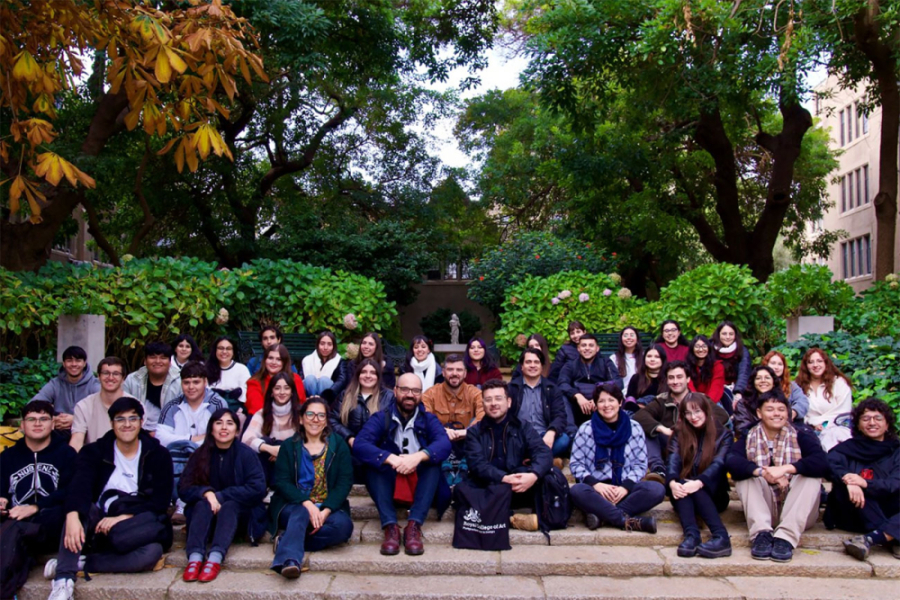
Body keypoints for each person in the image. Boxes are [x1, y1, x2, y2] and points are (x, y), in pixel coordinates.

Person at [44, 397, 173, 600]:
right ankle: (63, 579)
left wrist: (125, 516)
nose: (127, 424)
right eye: (120, 419)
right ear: (111, 423)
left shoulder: (158, 454)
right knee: (80, 509)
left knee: (152, 553)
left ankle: (83, 562)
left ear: (141, 422)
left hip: (134, 526)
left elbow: (160, 502)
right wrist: (72, 516)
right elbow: (79, 488)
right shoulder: (94, 452)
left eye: (133, 418)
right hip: (98, 523)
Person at [352, 373, 451, 556]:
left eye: (415, 391)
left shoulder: (429, 419)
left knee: (433, 463)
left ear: (421, 394)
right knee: (373, 464)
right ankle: (390, 527)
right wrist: (390, 458)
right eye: (405, 389)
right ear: (395, 391)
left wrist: (419, 456)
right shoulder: (381, 417)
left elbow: (444, 444)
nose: (410, 395)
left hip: (420, 485)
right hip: (391, 484)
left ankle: (414, 526)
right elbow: (360, 444)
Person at [726, 392, 829, 563]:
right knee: (746, 475)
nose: (776, 414)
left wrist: (786, 469)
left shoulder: (801, 434)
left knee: (810, 476)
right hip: (765, 507)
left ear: (787, 413)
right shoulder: (748, 436)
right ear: (759, 413)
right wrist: (763, 472)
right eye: (770, 409)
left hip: (798, 509)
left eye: (781, 409)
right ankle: (762, 534)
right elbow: (731, 462)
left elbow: (823, 462)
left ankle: (785, 538)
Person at [269, 396, 354, 578]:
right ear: (301, 419)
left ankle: (286, 540)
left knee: (343, 527)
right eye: (310, 414)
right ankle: (290, 560)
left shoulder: (338, 445)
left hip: (325, 505)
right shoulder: (288, 446)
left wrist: (326, 510)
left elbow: (344, 482)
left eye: (321, 416)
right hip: (293, 505)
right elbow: (282, 482)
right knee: (300, 513)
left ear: (326, 421)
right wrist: (306, 504)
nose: (315, 419)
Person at [179, 408, 266, 583]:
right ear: (211, 428)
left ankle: (215, 558)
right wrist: (206, 493)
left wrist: (220, 496)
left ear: (237, 430)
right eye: (219, 423)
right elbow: (183, 488)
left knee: (230, 505)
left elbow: (258, 488)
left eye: (229, 423)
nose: (224, 428)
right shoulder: (200, 454)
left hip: (238, 518)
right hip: (205, 518)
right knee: (203, 502)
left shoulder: (245, 454)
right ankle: (195, 558)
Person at [0, 401, 77, 597]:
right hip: (15, 521)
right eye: (31, 419)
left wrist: (35, 507)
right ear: (22, 426)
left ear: (53, 424)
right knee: (13, 530)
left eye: (44, 419)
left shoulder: (66, 454)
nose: (37, 424)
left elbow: (71, 491)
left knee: (14, 530)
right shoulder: (7, 457)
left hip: (51, 525)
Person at [569, 384, 664, 533]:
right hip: (596, 491)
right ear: (596, 404)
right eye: (601, 401)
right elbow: (576, 464)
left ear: (620, 402)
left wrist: (625, 487)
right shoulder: (586, 429)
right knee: (577, 490)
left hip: (624, 490)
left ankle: (601, 516)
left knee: (657, 489)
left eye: (611, 400)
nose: (607, 405)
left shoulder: (635, 428)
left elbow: (640, 464)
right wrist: (596, 485)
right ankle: (627, 521)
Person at [463, 379, 553, 532]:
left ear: (509, 402)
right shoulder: (474, 432)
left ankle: (498, 515)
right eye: (488, 399)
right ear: (483, 404)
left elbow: (543, 452)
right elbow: (477, 464)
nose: (493, 403)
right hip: (489, 485)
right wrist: (503, 478)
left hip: (518, 487)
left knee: (550, 477)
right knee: (461, 490)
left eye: (499, 398)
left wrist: (533, 475)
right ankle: (511, 519)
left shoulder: (523, 426)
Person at [825, 398, 900, 561]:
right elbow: (827, 464)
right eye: (865, 419)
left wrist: (865, 483)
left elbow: (895, 484)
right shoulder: (846, 449)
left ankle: (871, 538)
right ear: (858, 425)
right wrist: (848, 480)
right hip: (853, 512)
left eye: (878, 418)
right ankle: (894, 536)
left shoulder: (897, 451)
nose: (872, 423)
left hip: (887, 508)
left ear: (887, 424)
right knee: (846, 489)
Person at [155, 361, 228, 524]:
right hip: (177, 456)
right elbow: (160, 437)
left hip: (210, 455)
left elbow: (221, 434)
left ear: (205, 382)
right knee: (174, 452)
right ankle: (179, 502)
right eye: (186, 382)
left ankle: (185, 503)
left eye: (196, 382)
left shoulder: (217, 403)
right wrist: (190, 439)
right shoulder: (172, 406)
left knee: (194, 452)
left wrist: (190, 442)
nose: (191, 387)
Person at [633, 362, 730, 483]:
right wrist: (662, 429)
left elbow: (723, 416)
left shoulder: (700, 399)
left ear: (688, 379)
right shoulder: (662, 400)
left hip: (696, 447)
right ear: (667, 381)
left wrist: (688, 427)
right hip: (670, 447)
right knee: (647, 430)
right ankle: (658, 469)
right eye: (671, 378)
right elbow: (639, 416)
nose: (675, 381)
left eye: (679, 377)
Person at [667, 394, 733, 558]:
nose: (693, 417)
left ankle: (721, 536)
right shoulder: (679, 433)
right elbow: (673, 460)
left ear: (706, 410)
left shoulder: (724, 435)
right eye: (688, 413)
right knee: (683, 483)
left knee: (694, 486)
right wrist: (672, 482)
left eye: (697, 411)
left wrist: (699, 482)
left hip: (714, 494)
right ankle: (692, 536)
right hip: (683, 494)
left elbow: (718, 464)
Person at [331, 359, 396, 481]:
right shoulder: (345, 395)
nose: (368, 376)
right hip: (350, 452)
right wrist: (349, 438)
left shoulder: (389, 396)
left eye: (372, 372)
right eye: (364, 372)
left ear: (378, 376)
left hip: (378, 452)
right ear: (358, 375)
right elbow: (332, 420)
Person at [507, 348, 573, 458]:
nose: (532, 365)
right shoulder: (511, 388)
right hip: (518, 437)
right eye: (528, 362)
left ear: (542, 366)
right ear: (522, 366)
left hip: (544, 437)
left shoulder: (552, 388)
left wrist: (551, 432)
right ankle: (541, 460)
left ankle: (527, 460)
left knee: (564, 440)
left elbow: (560, 416)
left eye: (536, 362)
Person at [241, 372, 303, 484]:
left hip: (294, 462)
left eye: (286, 388)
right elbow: (246, 439)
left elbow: (311, 442)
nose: (282, 392)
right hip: (269, 462)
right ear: (271, 392)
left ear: (292, 392)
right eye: (277, 388)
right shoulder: (262, 413)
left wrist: (283, 453)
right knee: (264, 442)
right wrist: (270, 449)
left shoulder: (301, 414)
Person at [31, 346, 99, 437]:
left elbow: (104, 412)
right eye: (69, 361)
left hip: (87, 431)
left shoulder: (94, 385)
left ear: (84, 363)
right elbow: (32, 405)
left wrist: (76, 419)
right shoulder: (55, 383)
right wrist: (51, 418)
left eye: (78, 361)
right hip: (58, 429)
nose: (74, 364)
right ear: (64, 363)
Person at [70, 357, 134, 452]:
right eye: (105, 373)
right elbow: (76, 441)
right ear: (99, 376)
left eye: (116, 374)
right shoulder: (84, 406)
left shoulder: (135, 406)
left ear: (123, 378)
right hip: (95, 460)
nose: (110, 378)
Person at [558, 334, 622, 427]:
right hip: (577, 405)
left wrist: (599, 397)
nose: (587, 348)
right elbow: (562, 383)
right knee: (562, 396)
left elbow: (618, 382)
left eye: (591, 345)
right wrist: (577, 395)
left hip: (600, 403)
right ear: (578, 348)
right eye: (584, 345)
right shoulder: (570, 365)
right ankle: (571, 432)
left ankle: (612, 426)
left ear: (597, 348)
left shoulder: (605, 362)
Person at [797, 347, 853, 451]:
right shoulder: (799, 386)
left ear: (826, 363)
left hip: (838, 428)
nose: (815, 365)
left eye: (819, 361)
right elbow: (799, 412)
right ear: (806, 366)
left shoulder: (839, 383)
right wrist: (812, 424)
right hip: (809, 430)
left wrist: (821, 423)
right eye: (811, 362)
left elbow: (843, 411)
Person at [422, 354, 484, 442]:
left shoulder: (475, 393)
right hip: (438, 440)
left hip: (467, 441)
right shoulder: (430, 394)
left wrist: (467, 431)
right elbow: (424, 417)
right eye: (450, 369)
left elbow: (483, 416)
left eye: (459, 370)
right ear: (443, 372)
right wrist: (443, 430)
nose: (454, 373)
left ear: (465, 373)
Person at [122, 341, 182, 433]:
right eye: (153, 357)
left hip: (171, 431)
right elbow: (123, 408)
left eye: (163, 358)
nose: (158, 361)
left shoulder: (180, 381)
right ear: (145, 361)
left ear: (170, 362)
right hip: (136, 431)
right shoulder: (132, 380)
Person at [734, 366, 804, 434]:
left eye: (767, 378)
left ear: (773, 382)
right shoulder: (743, 403)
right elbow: (742, 429)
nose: (763, 381)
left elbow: (788, 424)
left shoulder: (782, 401)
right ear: (753, 382)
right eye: (758, 378)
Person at [245, 344, 306, 415]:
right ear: (265, 360)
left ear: (284, 362)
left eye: (279, 359)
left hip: (291, 419)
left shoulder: (295, 379)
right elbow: (255, 408)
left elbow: (300, 403)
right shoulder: (255, 381)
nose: (273, 362)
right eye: (270, 358)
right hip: (263, 419)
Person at [710, 321, 750, 411]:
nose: (727, 337)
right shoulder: (710, 349)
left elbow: (744, 372)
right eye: (724, 334)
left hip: (736, 389)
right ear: (718, 335)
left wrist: (738, 392)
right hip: (715, 389)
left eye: (731, 334)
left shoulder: (742, 351)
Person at [206, 336, 251, 413]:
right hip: (211, 409)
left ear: (233, 351)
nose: (224, 351)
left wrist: (241, 391)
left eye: (228, 348)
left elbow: (249, 389)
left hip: (235, 410)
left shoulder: (241, 369)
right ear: (215, 350)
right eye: (221, 348)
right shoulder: (206, 368)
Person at [761, 350, 809, 423]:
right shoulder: (759, 384)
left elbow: (803, 401)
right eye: (773, 363)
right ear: (766, 365)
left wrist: (793, 412)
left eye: (780, 364)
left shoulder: (791, 386)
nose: (776, 367)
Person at [300, 331, 345, 397]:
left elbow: (341, 381)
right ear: (318, 345)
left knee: (324, 381)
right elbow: (301, 379)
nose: (325, 348)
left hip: (329, 397)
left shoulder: (339, 361)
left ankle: (321, 402)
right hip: (309, 396)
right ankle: (313, 402)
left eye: (329, 344)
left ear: (334, 346)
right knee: (310, 379)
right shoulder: (307, 360)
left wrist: (326, 395)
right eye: (322, 344)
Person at [686, 335, 725, 405]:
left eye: (704, 346)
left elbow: (716, 387)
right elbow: (689, 386)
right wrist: (697, 401)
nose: (701, 350)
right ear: (692, 349)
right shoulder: (686, 366)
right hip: (692, 401)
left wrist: (707, 404)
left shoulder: (717, 366)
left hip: (712, 402)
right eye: (697, 346)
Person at [614, 327, 643, 393]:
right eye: (625, 335)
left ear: (637, 339)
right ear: (621, 339)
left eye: (632, 335)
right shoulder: (614, 358)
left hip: (641, 392)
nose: (629, 338)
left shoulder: (645, 356)